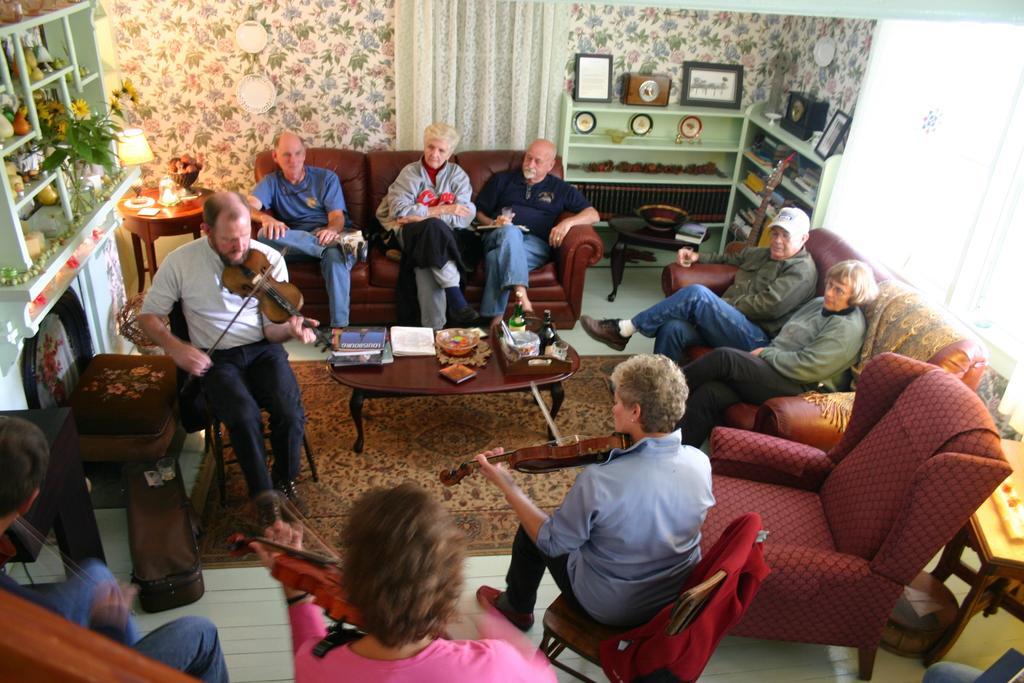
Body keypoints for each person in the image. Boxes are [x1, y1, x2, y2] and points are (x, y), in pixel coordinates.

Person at [475, 354, 715, 629]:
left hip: (614, 607)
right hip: (673, 600)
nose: (612, 409)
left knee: (532, 531)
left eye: (616, 402)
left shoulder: (599, 481)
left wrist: (509, 487)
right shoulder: (700, 462)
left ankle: (516, 608)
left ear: (635, 412)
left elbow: (553, 542)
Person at [251, 483, 556, 682]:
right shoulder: (494, 665)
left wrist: (296, 596)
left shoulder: (316, 667)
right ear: (449, 583)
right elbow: (544, 676)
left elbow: (310, 656)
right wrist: (501, 635)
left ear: (354, 579)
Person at [0, 416, 227, 682]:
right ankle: (130, 655)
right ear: (29, 502)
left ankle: (129, 649)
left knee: (96, 575)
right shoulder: (31, 616)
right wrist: (109, 628)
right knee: (202, 634)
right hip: (97, 670)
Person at [139, 191, 318, 520]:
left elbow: (271, 331)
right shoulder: (180, 262)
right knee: (242, 415)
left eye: (245, 235)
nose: (240, 248)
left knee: (289, 409)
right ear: (206, 230)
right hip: (216, 356)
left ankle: (286, 479)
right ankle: (263, 497)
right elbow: (148, 316)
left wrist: (290, 330)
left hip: (262, 349)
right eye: (228, 240)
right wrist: (175, 347)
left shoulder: (268, 260)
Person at [677, 259, 879, 447]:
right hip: (780, 369)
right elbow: (785, 335)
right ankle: (673, 449)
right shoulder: (819, 304)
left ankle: (664, 389)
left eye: (839, 290)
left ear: (855, 297)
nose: (829, 293)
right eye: (830, 284)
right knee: (712, 392)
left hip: (803, 387)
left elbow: (807, 367)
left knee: (725, 359)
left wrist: (766, 353)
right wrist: (769, 352)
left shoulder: (847, 328)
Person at [581, 206, 818, 362]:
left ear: (803, 238)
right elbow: (732, 257)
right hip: (730, 323)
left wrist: (719, 306)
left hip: (756, 338)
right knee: (671, 328)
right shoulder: (765, 254)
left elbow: (768, 306)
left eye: (785, 236)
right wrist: (698, 257)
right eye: (775, 234)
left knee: (698, 295)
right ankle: (658, 391)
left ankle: (624, 329)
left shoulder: (801, 271)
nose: (777, 241)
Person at [474, 138, 599, 322]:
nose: (530, 164)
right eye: (528, 158)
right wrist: (494, 223)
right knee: (510, 231)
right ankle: (521, 294)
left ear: (551, 165)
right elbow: (478, 212)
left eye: (537, 161)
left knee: (496, 257)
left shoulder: (560, 189)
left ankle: (495, 321)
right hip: (497, 235)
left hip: (536, 245)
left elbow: (593, 214)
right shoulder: (502, 180)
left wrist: (568, 223)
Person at [248, 130, 356, 330]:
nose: (293, 160)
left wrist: (331, 231)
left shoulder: (326, 178)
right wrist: (265, 218)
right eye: (286, 154)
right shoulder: (271, 182)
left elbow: (337, 218)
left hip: (326, 236)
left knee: (335, 257)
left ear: (304, 154)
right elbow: (247, 207)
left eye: (298, 153)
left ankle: (340, 330)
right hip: (295, 244)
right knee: (264, 235)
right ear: (275, 156)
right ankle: (340, 245)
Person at [376, 122, 479, 329]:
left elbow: (465, 217)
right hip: (408, 234)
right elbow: (400, 212)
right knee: (431, 230)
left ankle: (433, 331)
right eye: (431, 147)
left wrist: (419, 214)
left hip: (443, 238)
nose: (434, 154)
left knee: (425, 258)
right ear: (424, 146)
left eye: (441, 150)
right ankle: (455, 298)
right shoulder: (410, 173)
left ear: (449, 153)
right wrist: (444, 210)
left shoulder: (457, 175)